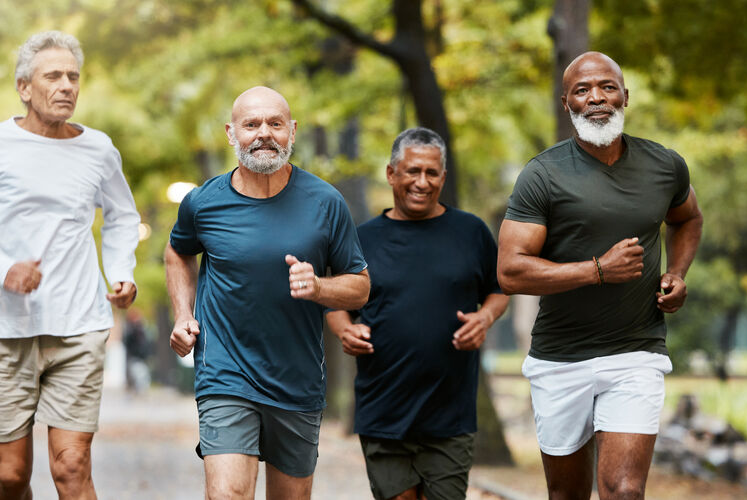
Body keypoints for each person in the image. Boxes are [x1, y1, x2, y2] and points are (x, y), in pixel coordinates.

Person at [497, 51, 704, 500]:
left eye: (607, 87)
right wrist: (596, 271)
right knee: (568, 495)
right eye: (582, 90)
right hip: (560, 358)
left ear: (625, 96)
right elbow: (510, 271)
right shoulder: (542, 175)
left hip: (635, 352)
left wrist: (677, 272)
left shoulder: (665, 165)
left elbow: (688, 217)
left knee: (624, 491)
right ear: (566, 103)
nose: (596, 98)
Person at [165, 86, 370, 500]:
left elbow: (360, 287)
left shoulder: (326, 202)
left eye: (275, 124)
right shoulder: (203, 203)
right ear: (230, 133)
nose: (264, 133)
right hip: (225, 373)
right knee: (227, 495)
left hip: (296, 379)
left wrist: (319, 287)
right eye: (251, 124)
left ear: (292, 130)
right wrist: (183, 314)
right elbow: (177, 253)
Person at [327, 127, 509, 500]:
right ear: (392, 173)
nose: (422, 182)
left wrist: (485, 318)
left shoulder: (471, 232)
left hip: (450, 415)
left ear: (443, 176)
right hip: (383, 412)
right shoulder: (362, 239)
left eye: (431, 173)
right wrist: (344, 330)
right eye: (412, 171)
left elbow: (498, 288)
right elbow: (334, 300)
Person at [0, 31, 140, 500]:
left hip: (79, 324)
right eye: (53, 76)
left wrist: (120, 272)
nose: (66, 86)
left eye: (73, 76)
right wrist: (6, 270)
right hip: (6, 329)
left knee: (71, 467)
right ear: (25, 87)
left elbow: (122, 215)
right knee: (9, 475)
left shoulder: (98, 149)